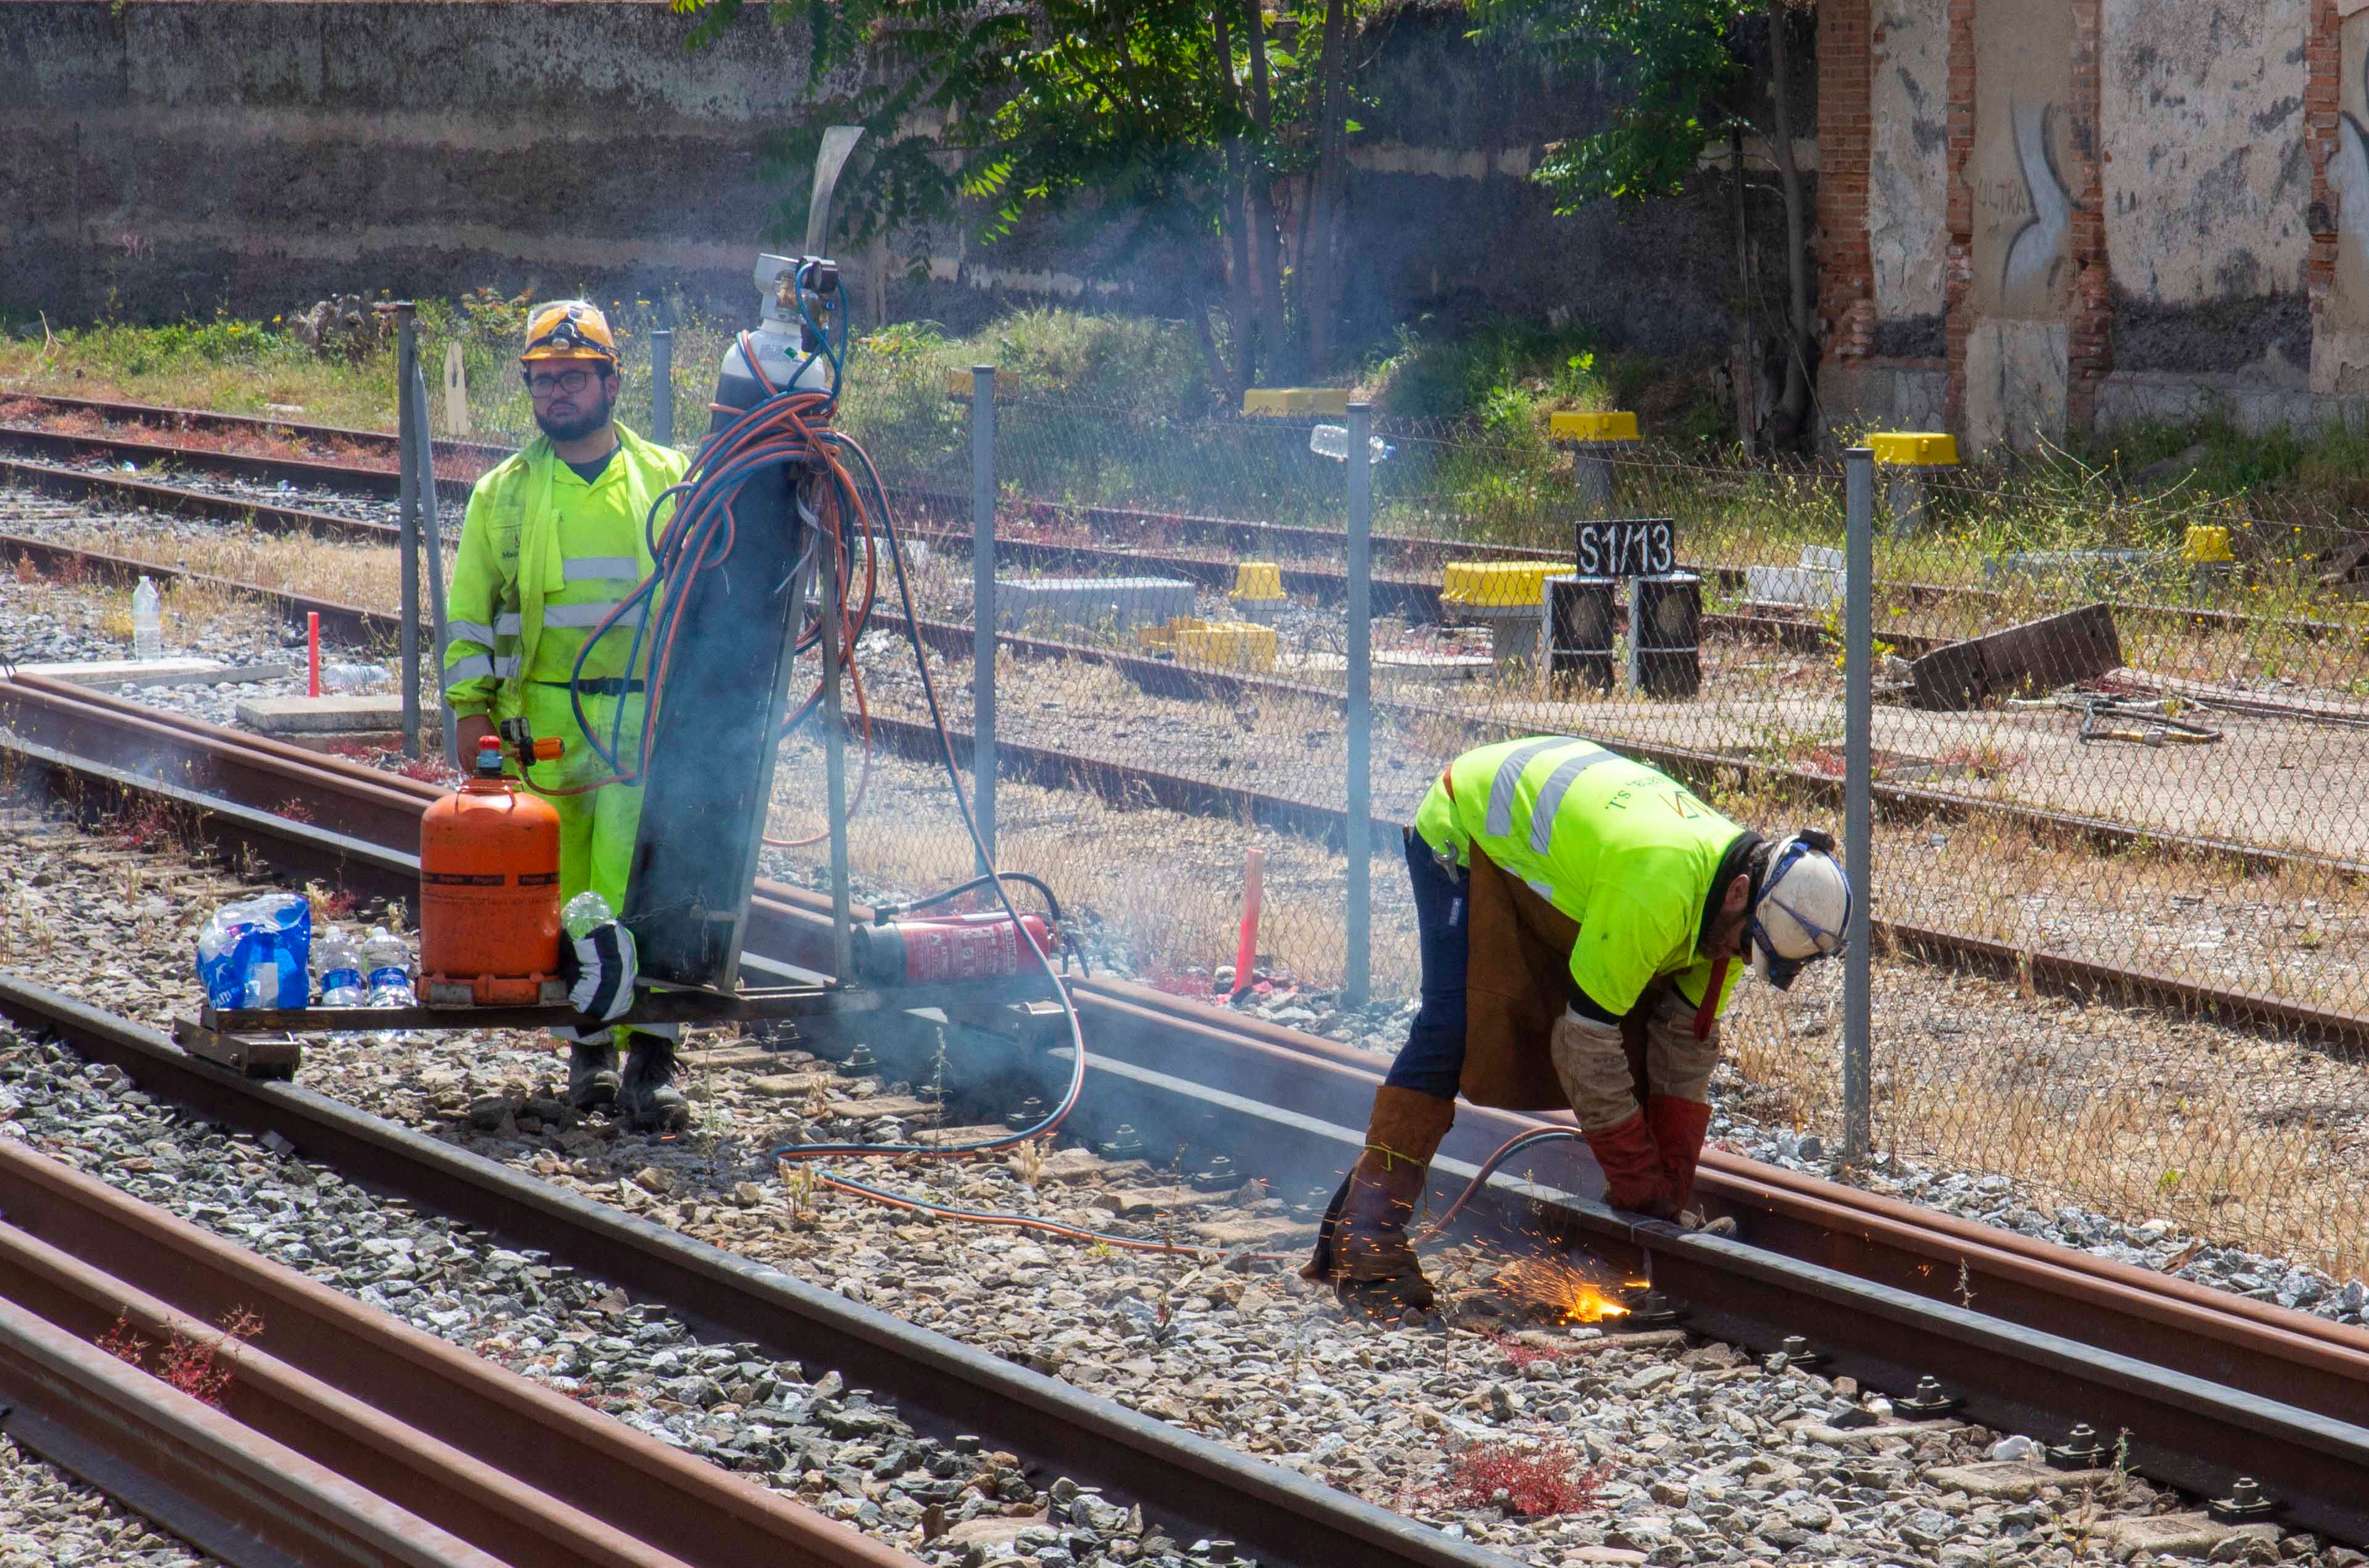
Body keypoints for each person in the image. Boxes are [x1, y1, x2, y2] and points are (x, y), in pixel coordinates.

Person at [1304, 735, 1851, 1311]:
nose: (1735, 959)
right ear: (1740, 893)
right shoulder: (1658, 888)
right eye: (1741, 947)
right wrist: (1643, 1191)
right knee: (1453, 1027)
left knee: (1636, 1030)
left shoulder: (1741, 906)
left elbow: (1680, 1048)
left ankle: (1626, 1231)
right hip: (1464, 826)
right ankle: (1368, 1236)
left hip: (1560, 859)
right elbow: (1583, 1043)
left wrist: (1666, 1199)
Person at [443, 300, 693, 1131]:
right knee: (567, 897)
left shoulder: (669, 478)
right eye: (542, 380)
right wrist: (468, 714)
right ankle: (590, 1051)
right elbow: (471, 619)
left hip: (640, 723)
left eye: (572, 377)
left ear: (610, 380)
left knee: (647, 892)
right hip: (543, 726)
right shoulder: (503, 497)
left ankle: (652, 1060)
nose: (555, 394)